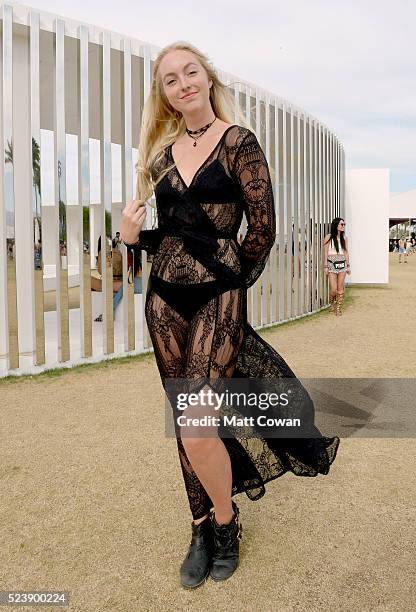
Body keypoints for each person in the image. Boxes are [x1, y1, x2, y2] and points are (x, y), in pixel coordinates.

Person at [120, 41, 340, 589]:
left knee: (197, 423)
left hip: (218, 297)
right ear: (165, 95)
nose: (183, 83)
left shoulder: (240, 143)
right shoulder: (161, 156)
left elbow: (262, 229)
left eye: (190, 72)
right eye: (170, 79)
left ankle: (225, 523)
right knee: (187, 421)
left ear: (208, 78)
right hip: (164, 301)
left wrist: (231, 281)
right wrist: (131, 238)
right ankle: (200, 525)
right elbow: (168, 235)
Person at [323, 218, 350, 316]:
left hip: (342, 264)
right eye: (342, 224)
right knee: (333, 289)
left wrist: (348, 265)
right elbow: (325, 252)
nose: (343, 226)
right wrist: (325, 266)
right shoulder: (328, 237)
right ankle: (333, 303)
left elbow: (346, 252)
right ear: (336, 225)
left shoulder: (344, 238)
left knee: (340, 288)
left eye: (344, 224)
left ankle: (338, 308)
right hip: (331, 264)